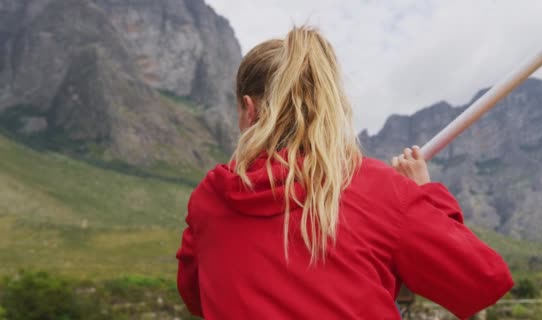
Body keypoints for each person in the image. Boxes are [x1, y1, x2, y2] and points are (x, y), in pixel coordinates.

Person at [176, 26, 513, 320]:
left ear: (249, 110)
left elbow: (196, 296)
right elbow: (482, 280)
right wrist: (424, 194)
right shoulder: (380, 189)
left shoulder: (209, 199)